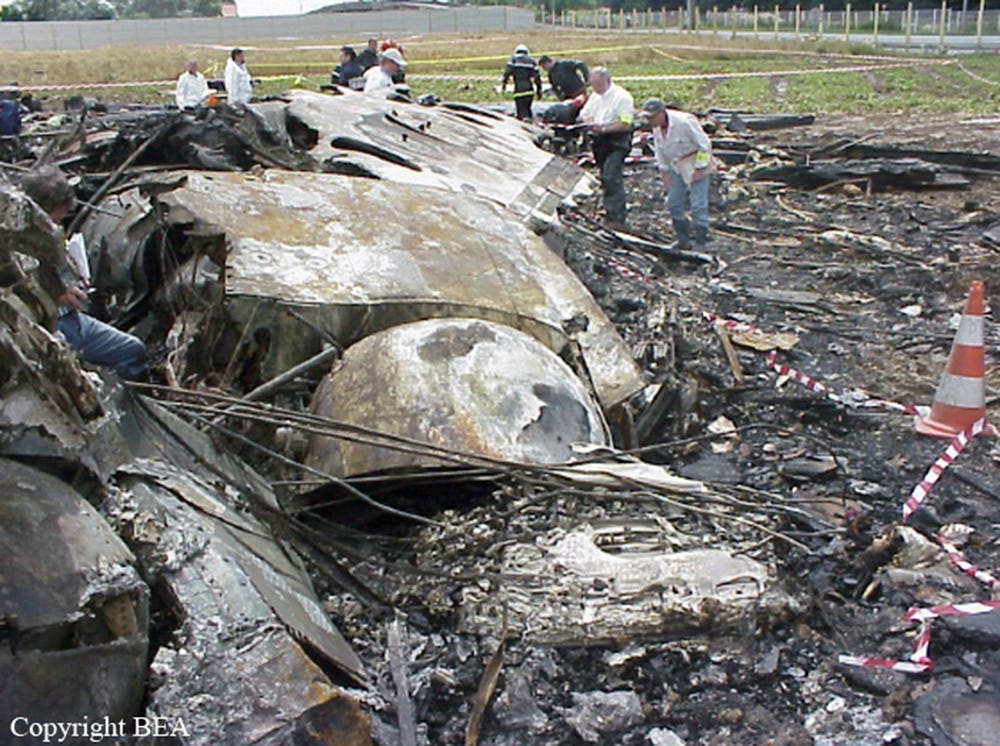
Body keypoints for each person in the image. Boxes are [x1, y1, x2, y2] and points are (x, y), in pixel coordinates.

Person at [20, 166, 148, 381]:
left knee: (130, 348)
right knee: (126, 353)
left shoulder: (45, 236)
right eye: (53, 219)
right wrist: (53, 294)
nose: (55, 226)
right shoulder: (15, 242)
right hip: (45, 322)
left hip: (69, 315)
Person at [641, 98, 715, 250]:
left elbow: (704, 144)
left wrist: (700, 168)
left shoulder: (684, 122)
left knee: (697, 204)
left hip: (693, 162)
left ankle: (701, 240)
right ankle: (683, 239)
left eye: (652, 117)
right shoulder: (656, 128)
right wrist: (664, 171)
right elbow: (660, 150)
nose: (650, 121)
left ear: (662, 112)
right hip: (675, 166)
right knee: (673, 202)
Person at [578, 67, 634, 230]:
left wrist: (603, 128)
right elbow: (584, 113)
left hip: (617, 141)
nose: (595, 88)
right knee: (605, 176)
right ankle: (609, 212)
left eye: (597, 84)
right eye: (592, 85)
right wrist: (588, 120)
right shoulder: (595, 97)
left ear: (606, 81)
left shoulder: (621, 97)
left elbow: (625, 123)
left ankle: (617, 218)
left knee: (611, 176)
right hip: (600, 142)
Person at [501, 44, 542, 121]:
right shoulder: (532, 61)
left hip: (519, 90)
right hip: (530, 90)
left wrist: (504, 85)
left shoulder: (513, 60)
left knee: (521, 112)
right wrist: (539, 90)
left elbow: (507, 73)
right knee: (528, 111)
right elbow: (537, 77)